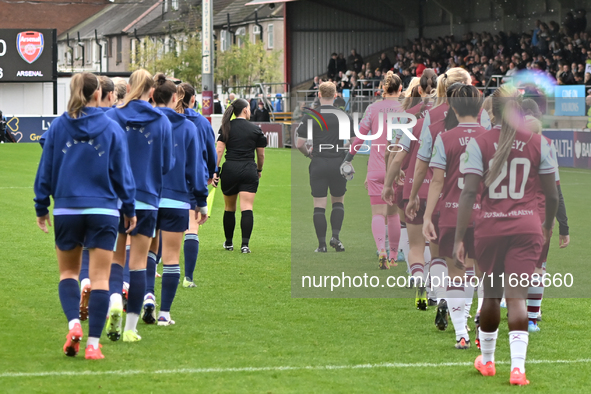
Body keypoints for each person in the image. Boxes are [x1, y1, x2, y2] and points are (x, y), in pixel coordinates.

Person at [454, 87, 558, 386]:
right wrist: (547, 226)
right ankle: (518, 369)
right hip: (527, 228)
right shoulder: (539, 142)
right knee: (517, 297)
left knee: (490, 295)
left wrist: (460, 238)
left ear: (491, 112)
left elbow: (470, 192)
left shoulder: (480, 143)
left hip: (490, 228)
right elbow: (551, 195)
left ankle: (487, 361)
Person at [34, 72, 137, 359]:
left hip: (67, 209)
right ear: (97, 94)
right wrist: (129, 209)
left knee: (68, 273)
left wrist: (41, 206)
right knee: (101, 278)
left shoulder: (57, 126)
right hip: (104, 210)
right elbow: (122, 173)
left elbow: (46, 169)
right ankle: (93, 344)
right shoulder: (112, 126)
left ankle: (74, 324)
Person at [105, 69, 174, 340]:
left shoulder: (112, 115)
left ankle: (113, 302)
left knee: (114, 260)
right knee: (138, 264)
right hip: (146, 198)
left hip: (115, 199)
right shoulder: (162, 121)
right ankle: (131, 330)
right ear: (152, 92)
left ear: (128, 86)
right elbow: (168, 164)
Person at [422, 84, 486, 348]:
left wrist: (428, 216)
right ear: (481, 108)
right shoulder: (490, 137)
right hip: (486, 215)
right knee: (484, 274)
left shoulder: (445, 138)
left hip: (451, 213)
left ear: (453, 109)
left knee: (455, 274)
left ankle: (462, 334)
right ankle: (484, 329)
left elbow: (437, 181)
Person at [152, 74, 208, 325]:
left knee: (145, 256)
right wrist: (201, 199)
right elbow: (196, 167)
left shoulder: (144, 122)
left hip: (146, 199)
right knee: (172, 257)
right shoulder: (187, 126)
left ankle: (145, 299)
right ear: (176, 97)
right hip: (176, 198)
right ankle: (164, 313)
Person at [340, 72, 403, 269]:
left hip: (375, 168)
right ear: (401, 89)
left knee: (377, 214)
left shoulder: (373, 108)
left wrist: (347, 159)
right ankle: (393, 255)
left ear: (383, 90)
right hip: (397, 167)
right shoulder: (406, 109)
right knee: (393, 215)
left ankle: (381, 250)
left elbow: (359, 138)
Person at [295, 82, 352, 252]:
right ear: (335, 95)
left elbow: (299, 144)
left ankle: (321, 245)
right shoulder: (343, 115)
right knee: (338, 202)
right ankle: (336, 237)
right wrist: (347, 155)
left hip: (318, 162)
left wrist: (308, 154)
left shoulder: (311, 115)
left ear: (319, 95)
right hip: (338, 162)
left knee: (319, 205)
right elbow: (354, 142)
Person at [176, 83, 217, 288]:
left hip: (169, 180)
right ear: (193, 99)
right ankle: (188, 278)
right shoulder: (201, 122)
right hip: (194, 179)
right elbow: (211, 151)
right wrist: (211, 173)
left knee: (165, 229)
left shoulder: (166, 119)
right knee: (192, 227)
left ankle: (152, 270)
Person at [213, 99, 267, 253]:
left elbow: (218, 151)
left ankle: (229, 243)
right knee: (247, 208)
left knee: (229, 208)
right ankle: (245, 245)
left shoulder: (225, 127)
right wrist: (259, 169)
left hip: (230, 169)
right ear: (244, 110)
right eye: (249, 109)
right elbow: (261, 155)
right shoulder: (256, 129)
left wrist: (215, 171)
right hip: (249, 169)